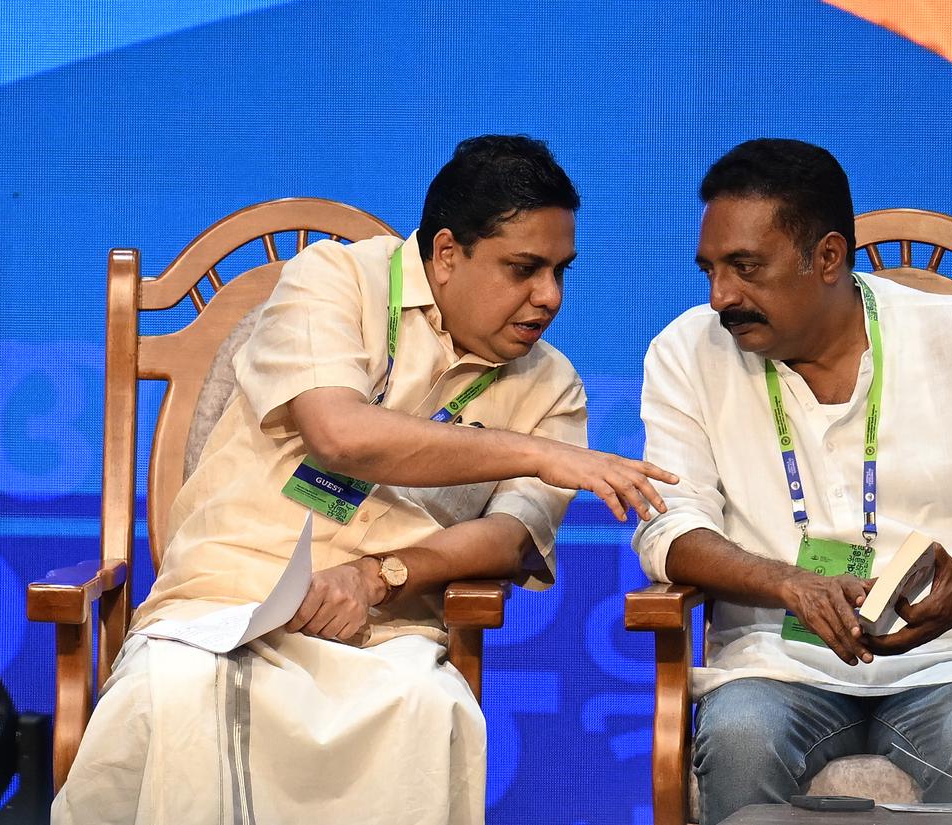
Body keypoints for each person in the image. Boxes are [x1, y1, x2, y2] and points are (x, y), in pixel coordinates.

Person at [54, 135, 676, 825]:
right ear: (447, 253)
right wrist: (533, 454)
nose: (549, 297)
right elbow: (339, 434)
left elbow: (509, 537)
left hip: (381, 627)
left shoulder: (551, 384)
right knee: (166, 697)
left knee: (423, 706)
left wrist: (380, 576)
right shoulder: (335, 278)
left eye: (561, 271)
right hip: (224, 599)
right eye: (524, 269)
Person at [632, 138, 952, 825]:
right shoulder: (685, 352)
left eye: (745, 267)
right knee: (740, 737)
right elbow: (670, 527)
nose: (720, 296)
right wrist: (789, 582)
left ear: (827, 258)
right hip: (776, 664)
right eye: (711, 269)